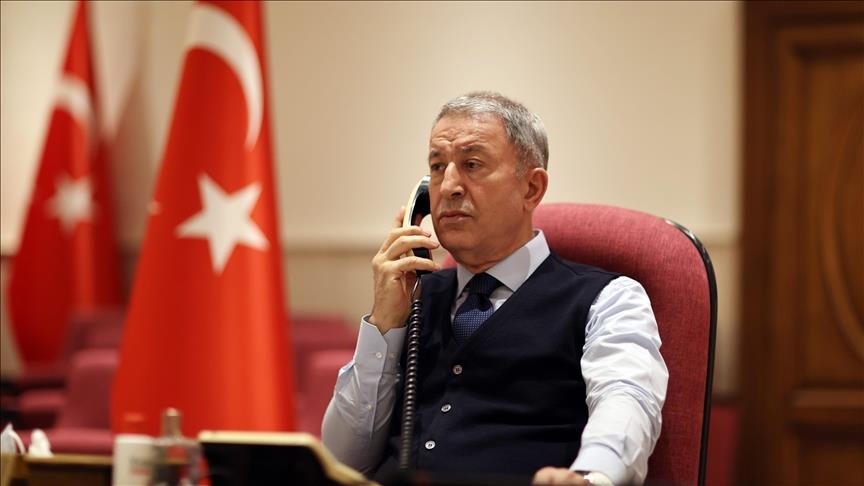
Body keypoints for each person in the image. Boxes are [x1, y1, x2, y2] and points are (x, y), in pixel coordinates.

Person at [322, 91, 668, 486]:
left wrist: (591, 477)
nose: (448, 186)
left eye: (472, 165)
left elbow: (626, 399)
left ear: (531, 188)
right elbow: (342, 459)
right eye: (437, 167)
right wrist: (384, 324)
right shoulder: (413, 298)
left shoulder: (609, 299)